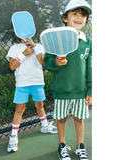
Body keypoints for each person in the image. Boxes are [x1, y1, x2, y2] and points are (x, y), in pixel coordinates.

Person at [43, 0, 95, 160]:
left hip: (80, 91)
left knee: (79, 119)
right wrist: (56, 62)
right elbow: (48, 63)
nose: (79, 17)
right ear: (65, 18)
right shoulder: (55, 38)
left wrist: (91, 90)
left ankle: (80, 147)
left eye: (83, 15)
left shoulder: (88, 42)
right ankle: (62, 146)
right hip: (61, 90)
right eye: (75, 14)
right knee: (62, 119)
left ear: (86, 19)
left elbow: (91, 68)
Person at [6, 14, 57, 153]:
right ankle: (13, 136)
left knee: (39, 106)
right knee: (20, 109)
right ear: (17, 33)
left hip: (37, 83)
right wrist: (24, 53)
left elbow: (42, 61)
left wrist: (35, 48)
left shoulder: (38, 46)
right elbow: (12, 66)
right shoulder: (14, 48)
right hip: (22, 84)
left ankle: (45, 126)